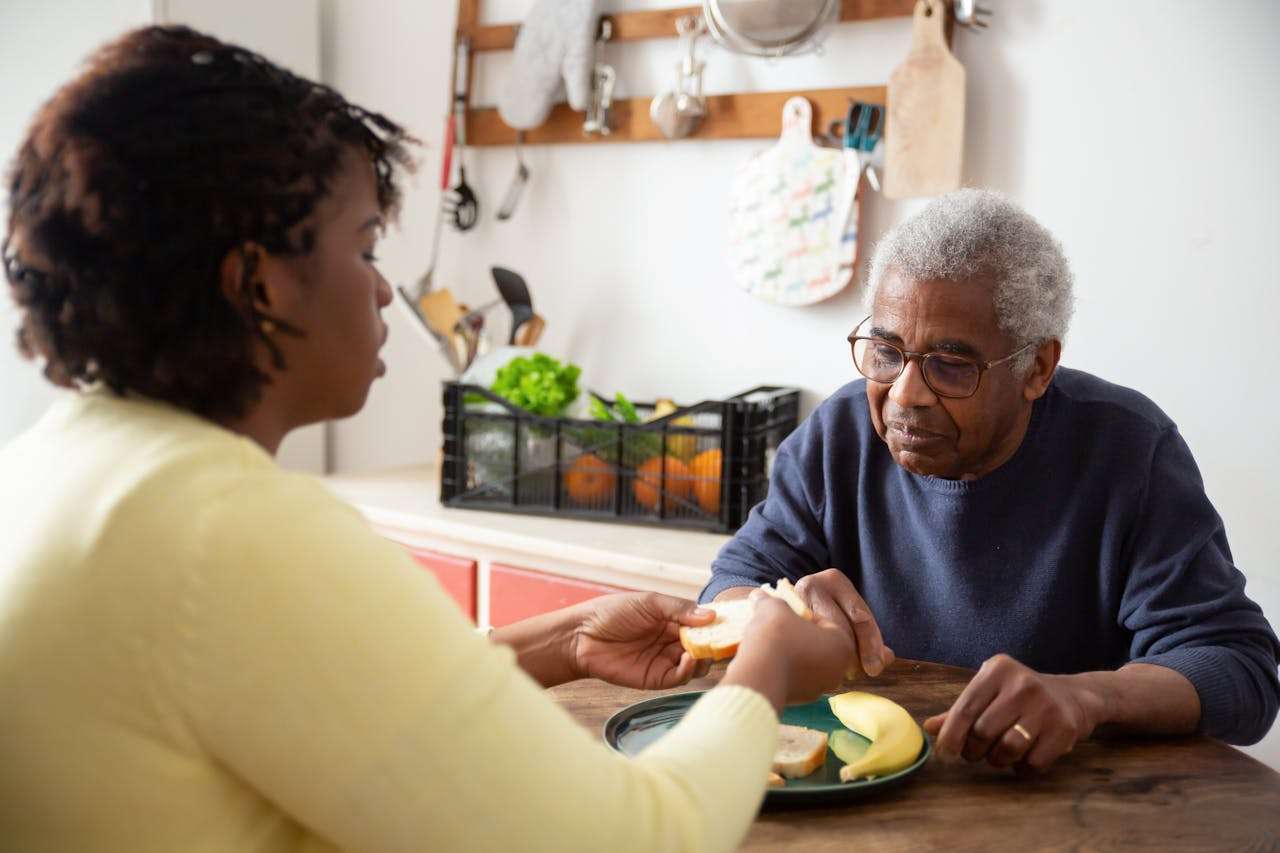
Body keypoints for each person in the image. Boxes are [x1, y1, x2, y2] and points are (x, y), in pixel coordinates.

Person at [0, 27, 859, 851]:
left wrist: (560, 642)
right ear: (257, 285)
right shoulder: (225, 529)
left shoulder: (58, 465)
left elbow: (327, 704)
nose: (382, 291)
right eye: (366, 246)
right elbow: (637, 834)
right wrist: (767, 667)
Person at [703, 189, 1280, 772]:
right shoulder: (839, 436)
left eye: (950, 366)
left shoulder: (1129, 450)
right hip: (868, 786)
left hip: (1066, 799)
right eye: (886, 351)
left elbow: (1239, 669)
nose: (905, 394)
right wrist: (771, 609)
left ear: (1038, 368)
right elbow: (729, 585)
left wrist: (1090, 696)